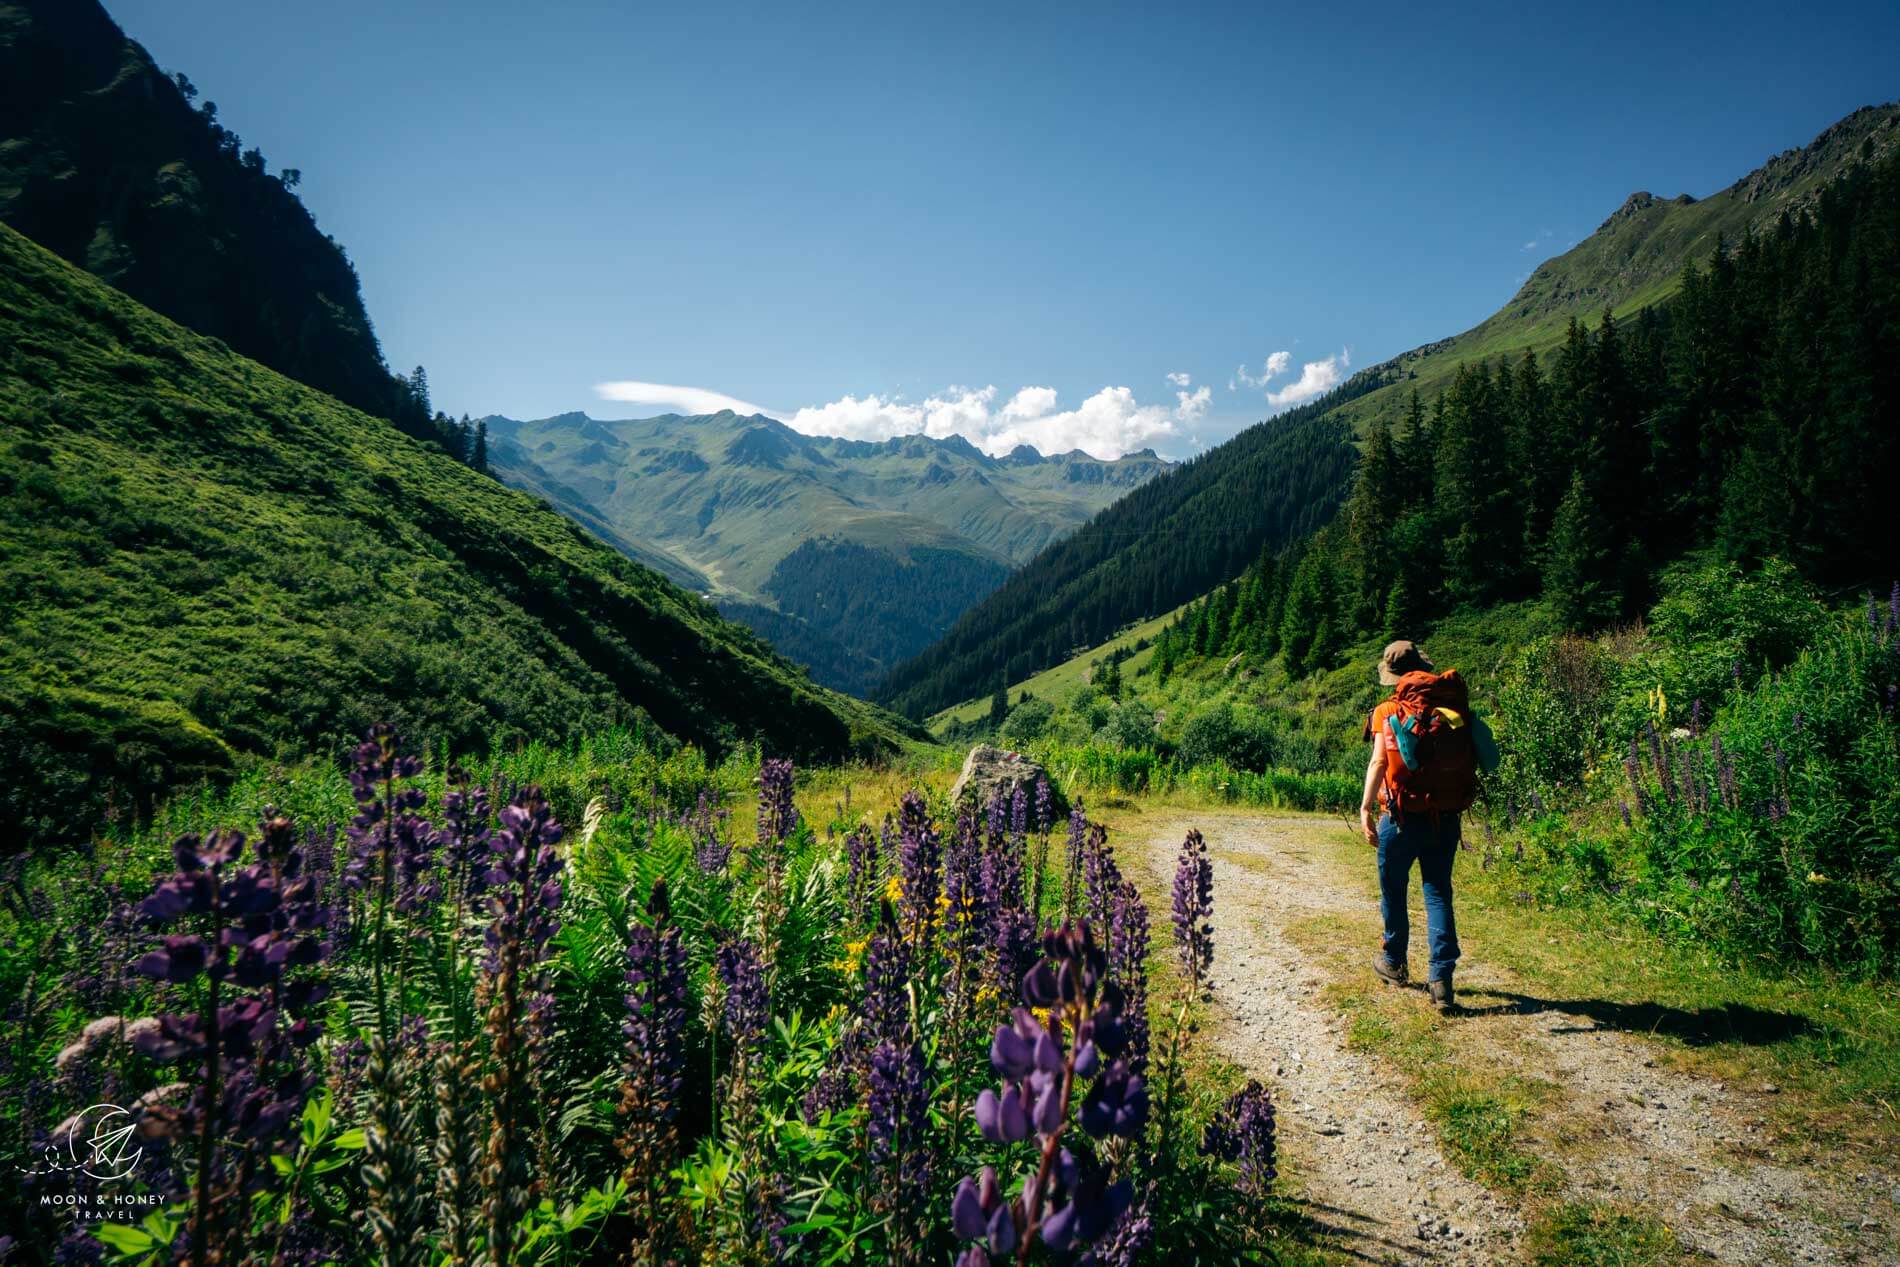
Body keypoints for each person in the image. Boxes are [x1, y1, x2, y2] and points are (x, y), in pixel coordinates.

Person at [1358, 639, 1464, 1012]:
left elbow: (1378, 763)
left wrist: (1366, 806)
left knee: (1393, 889)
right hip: (1445, 817)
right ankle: (1441, 980)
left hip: (1400, 817)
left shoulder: (1387, 708)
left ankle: (1395, 962)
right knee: (1437, 892)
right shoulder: (1448, 704)